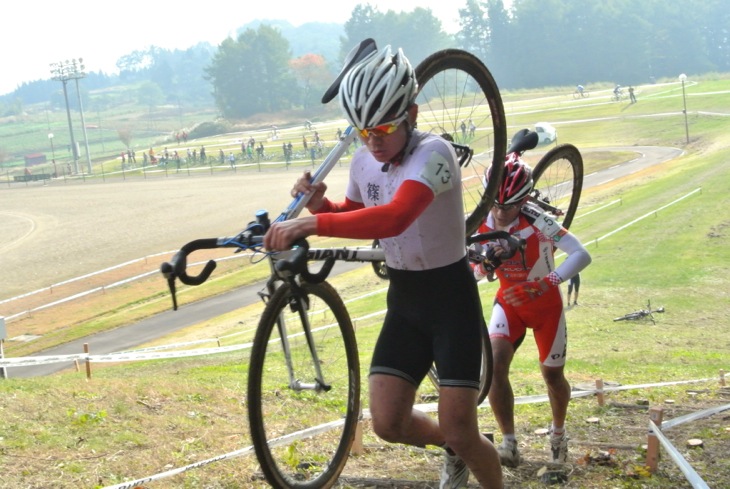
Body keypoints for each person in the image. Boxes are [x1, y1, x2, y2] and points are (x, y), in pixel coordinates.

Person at [264, 44, 503, 489]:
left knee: (462, 429)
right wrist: (324, 204)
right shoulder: (365, 161)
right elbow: (357, 209)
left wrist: (313, 223)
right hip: (406, 301)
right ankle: (453, 448)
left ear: (411, 113)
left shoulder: (434, 155)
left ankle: (467, 449)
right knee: (388, 424)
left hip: (450, 300)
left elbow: (395, 216)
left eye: (384, 128)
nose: (373, 140)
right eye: (362, 130)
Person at [471, 155, 591, 468]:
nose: (499, 212)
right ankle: (509, 441)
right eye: (494, 204)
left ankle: (558, 433)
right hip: (509, 303)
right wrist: (484, 266)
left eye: (508, 207)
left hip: (545, 307)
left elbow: (581, 254)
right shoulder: (480, 219)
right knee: (495, 365)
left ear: (523, 201)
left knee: (552, 376)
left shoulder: (538, 219)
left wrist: (544, 284)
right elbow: (472, 274)